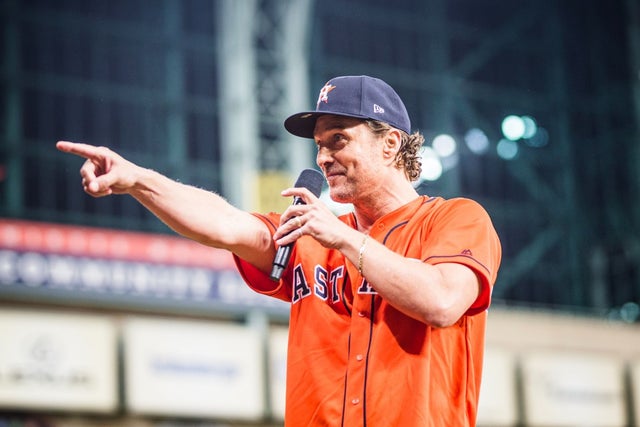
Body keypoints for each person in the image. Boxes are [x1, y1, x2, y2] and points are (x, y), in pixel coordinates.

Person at [57, 75, 501, 426]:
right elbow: (225, 223)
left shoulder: (456, 218)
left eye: (338, 140)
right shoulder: (313, 233)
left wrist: (346, 239)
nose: (323, 157)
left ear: (390, 145)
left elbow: (441, 302)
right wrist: (139, 180)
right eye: (319, 145)